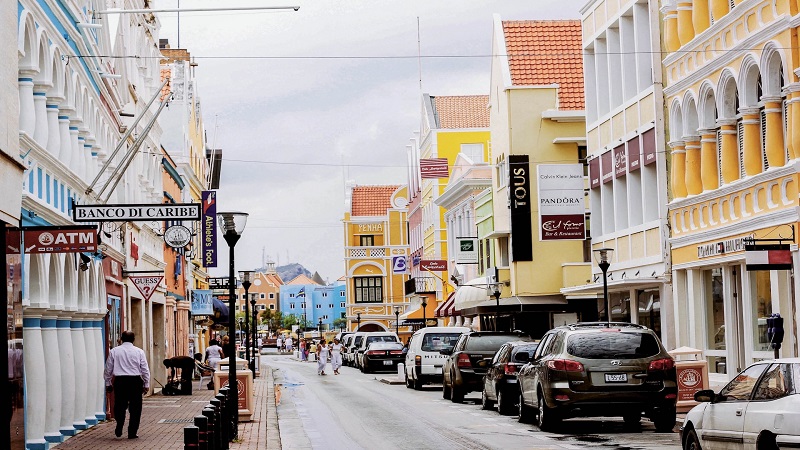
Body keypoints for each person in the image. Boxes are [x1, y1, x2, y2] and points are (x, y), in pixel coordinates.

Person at [104, 330, 150, 439]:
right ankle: (132, 432)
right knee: (136, 408)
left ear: (121, 339)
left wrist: (108, 382)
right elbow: (145, 369)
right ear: (133, 340)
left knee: (119, 405)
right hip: (135, 381)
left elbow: (108, 369)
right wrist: (146, 383)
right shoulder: (139, 352)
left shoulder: (114, 351)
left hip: (120, 381)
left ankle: (119, 424)